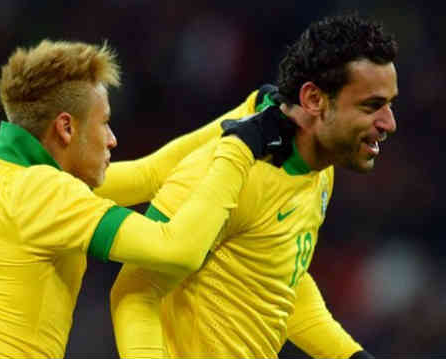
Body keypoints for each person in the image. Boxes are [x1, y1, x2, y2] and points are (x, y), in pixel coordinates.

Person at [0, 39, 284, 358]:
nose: (112, 139)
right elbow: (178, 251)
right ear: (66, 128)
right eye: (104, 123)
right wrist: (239, 149)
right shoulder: (44, 194)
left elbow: (150, 175)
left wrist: (249, 112)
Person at [110, 14, 398, 359]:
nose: (389, 123)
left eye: (390, 104)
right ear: (314, 100)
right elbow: (136, 291)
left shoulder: (320, 169)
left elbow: (279, 278)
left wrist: (348, 355)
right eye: (372, 106)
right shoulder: (228, 174)